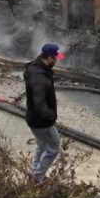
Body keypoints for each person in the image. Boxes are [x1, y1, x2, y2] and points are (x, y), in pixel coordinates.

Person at [25, 43, 63, 183]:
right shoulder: (39, 77)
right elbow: (39, 104)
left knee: (41, 145)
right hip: (41, 122)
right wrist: (51, 116)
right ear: (48, 58)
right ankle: (37, 178)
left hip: (34, 119)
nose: (56, 61)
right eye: (55, 58)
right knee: (53, 147)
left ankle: (34, 172)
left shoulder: (37, 68)